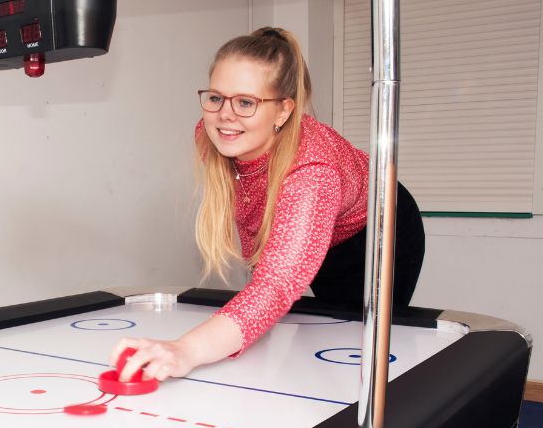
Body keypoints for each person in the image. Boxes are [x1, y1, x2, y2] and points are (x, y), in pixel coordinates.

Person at [111, 27, 425, 383]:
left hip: (380, 229)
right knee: (308, 338)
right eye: (216, 97)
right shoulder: (210, 134)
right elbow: (253, 209)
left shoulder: (312, 171)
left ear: (282, 111)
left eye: (246, 102)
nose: (225, 115)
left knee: (360, 347)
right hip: (322, 228)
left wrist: (185, 350)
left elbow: (276, 285)